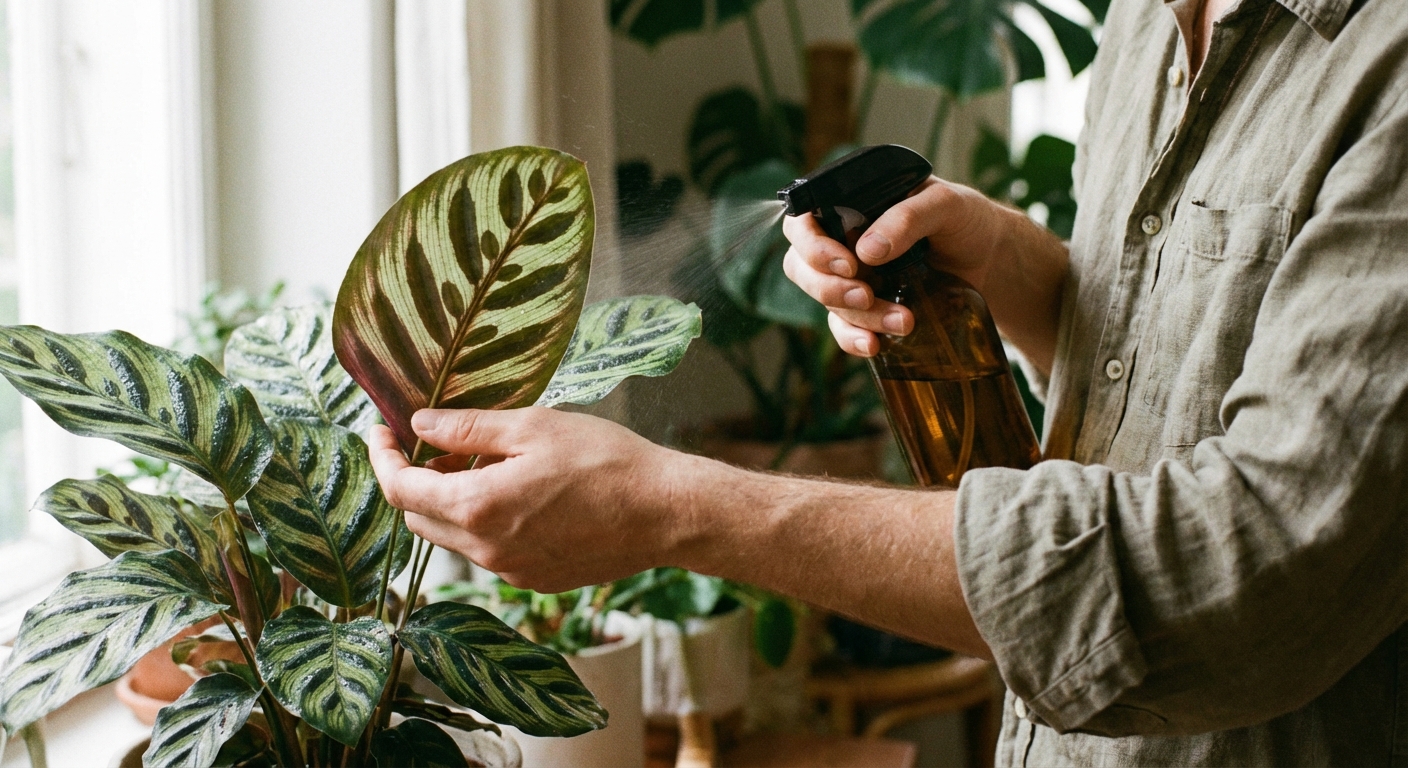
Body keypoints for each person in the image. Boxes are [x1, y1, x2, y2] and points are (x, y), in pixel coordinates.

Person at [369, 0, 1408, 763]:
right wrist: (1006, 264)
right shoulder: (1147, 20)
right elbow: (1178, 357)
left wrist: (673, 508)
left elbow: (1246, 566)